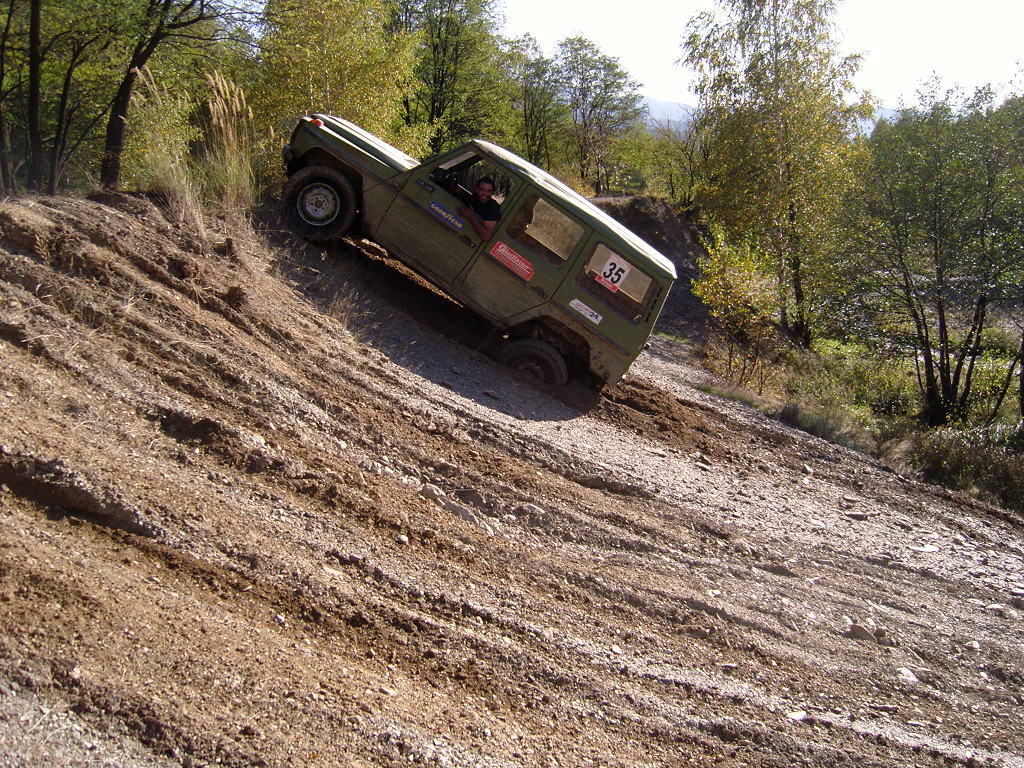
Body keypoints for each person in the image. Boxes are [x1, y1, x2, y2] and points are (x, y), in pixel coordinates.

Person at [458, 177, 501, 241]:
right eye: (482, 190)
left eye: (489, 191)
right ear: (477, 190)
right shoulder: (474, 198)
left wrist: (471, 217)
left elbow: (486, 236)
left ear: (492, 193)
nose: (485, 193)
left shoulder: (493, 208)